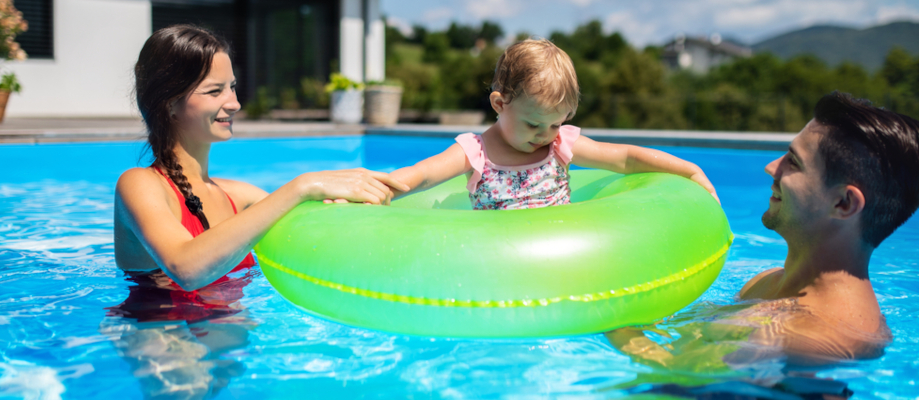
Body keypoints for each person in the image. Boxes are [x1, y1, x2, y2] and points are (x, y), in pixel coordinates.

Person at [608, 92, 919, 370]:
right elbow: (688, 336)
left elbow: (678, 372)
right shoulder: (769, 282)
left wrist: (612, 310)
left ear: (843, 203)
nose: (771, 166)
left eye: (793, 162)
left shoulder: (816, 336)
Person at [113, 24, 408, 292]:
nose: (235, 103)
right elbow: (186, 269)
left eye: (232, 87)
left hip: (230, 340)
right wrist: (302, 186)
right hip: (161, 335)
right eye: (215, 91)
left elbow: (322, 230)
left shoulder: (239, 196)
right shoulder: (140, 185)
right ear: (170, 104)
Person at [388, 38, 717, 208]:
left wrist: (688, 169)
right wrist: (375, 190)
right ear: (500, 104)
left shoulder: (561, 145)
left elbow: (625, 158)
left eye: (555, 124)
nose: (544, 135)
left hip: (559, 257)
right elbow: (424, 174)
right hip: (498, 259)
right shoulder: (475, 152)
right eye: (533, 125)